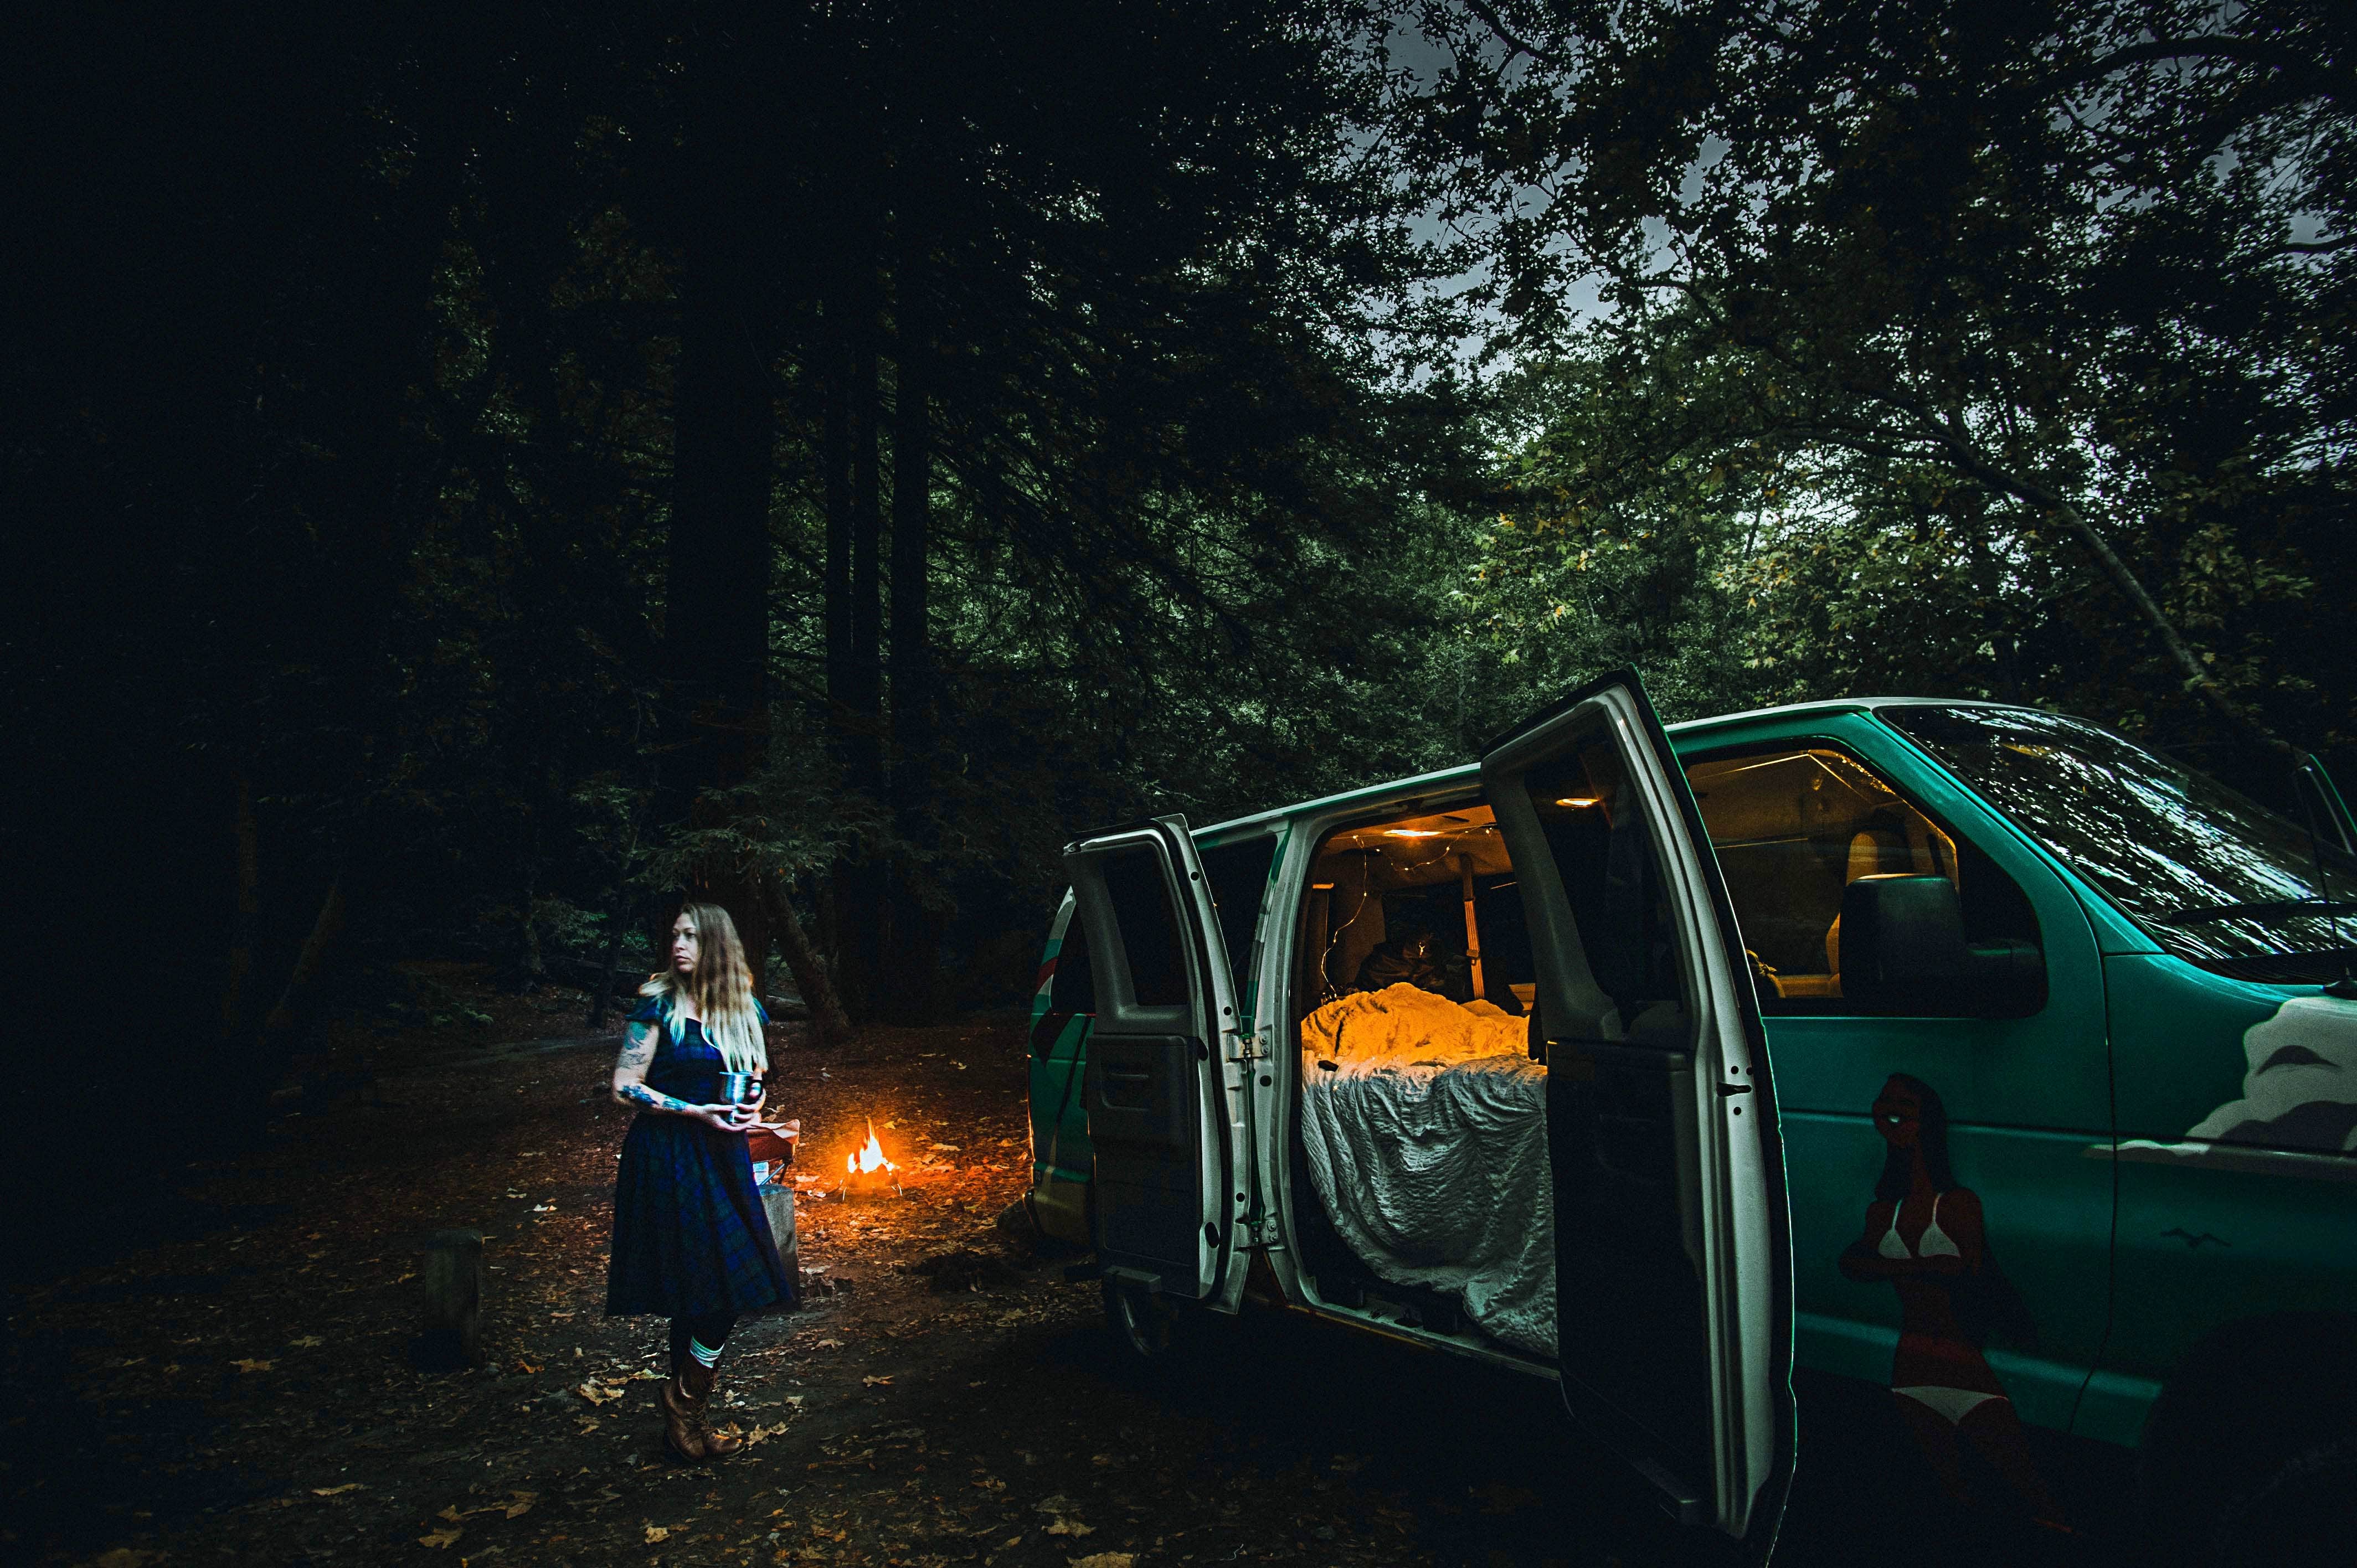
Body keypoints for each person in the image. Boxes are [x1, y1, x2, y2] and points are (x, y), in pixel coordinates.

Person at [605, 902, 796, 1463]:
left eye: (690, 936)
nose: (678, 945)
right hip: (666, 1155)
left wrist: (751, 1104)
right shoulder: (657, 1006)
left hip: (723, 1156)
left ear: (716, 945)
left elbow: (755, 1078)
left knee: (734, 1283)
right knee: (696, 1289)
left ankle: (684, 1399)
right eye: (674, 935)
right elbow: (623, 1086)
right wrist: (695, 1110)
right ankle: (685, 1414)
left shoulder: (747, 1011)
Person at [1838, 1073, 2065, 1529]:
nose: (1889, 1109)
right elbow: (1854, 1263)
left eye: (1904, 1103)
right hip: (1911, 1369)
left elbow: (1968, 1272)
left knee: (2038, 1498)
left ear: (1930, 1120)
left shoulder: (1959, 1203)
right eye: (1884, 1100)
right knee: (1949, 1498)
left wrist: (1895, 1267)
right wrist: (1923, 1267)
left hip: (1965, 1368)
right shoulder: (1884, 1210)